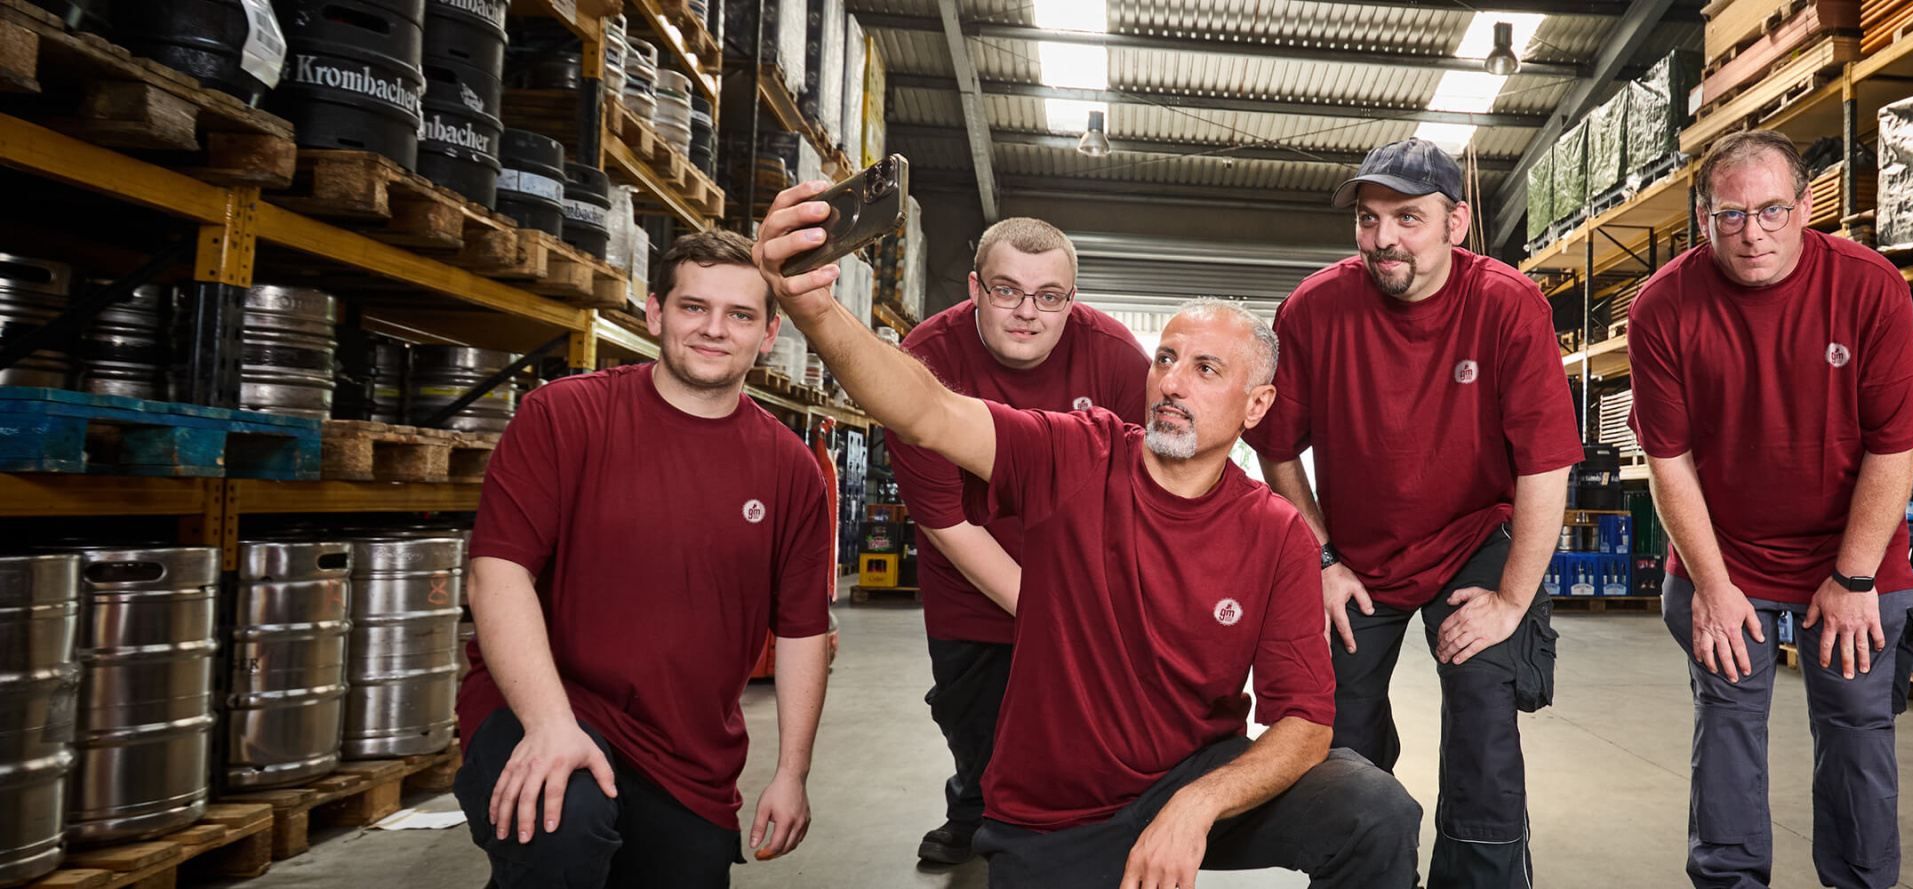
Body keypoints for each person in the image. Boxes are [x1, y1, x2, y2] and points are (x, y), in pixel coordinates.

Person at [753, 181, 1425, 889]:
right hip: (1056, 811)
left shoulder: (1276, 532)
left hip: (1192, 771)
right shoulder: (1077, 454)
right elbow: (929, 411)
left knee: (1374, 807)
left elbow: (1306, 725)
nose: (1172, 383)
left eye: (1205, 369)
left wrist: (1197, 804)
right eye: (1165, 359)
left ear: (1256, 404)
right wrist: (815, 309)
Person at [451, 230, 835, 887]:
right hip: (545, 702)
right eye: (694, 307)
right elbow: (498, 573)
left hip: (685, 752)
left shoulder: (791, 470)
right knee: (563, 825)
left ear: (769, 334)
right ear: (656, 313)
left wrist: (792, 773)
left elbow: (803, 630)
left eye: (740, 314)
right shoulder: (565, 416)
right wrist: (548, 724)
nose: (714, 329)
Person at [1247, 137, 1582, 887]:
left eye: (1407, 218)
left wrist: (1511, 602)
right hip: (1359, 552)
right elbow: (1275, 450)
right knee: (1340, 733)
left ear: (1455, 224)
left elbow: (1544, 465)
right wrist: (1321, 558)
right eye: (1368, 219)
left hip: (1474, 538)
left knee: (1484, 712)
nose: (1383, 238)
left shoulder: (1507, 303)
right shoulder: (1315, 308)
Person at [1628, 129, 1913, 889]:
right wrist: (1712, 586)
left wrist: (1854, 579)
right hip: (1724, 554)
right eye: (1730, 215)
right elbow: (1668, 460)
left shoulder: (1870, 287)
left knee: (1857, 726)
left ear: (1806, 206)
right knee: (1727, 723)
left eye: (1771, 211)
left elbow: (1895, 446)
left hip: (1852, 554)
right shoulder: (1663, 306)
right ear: (1704, 217)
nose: (1752, 233)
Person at [888, 217, 1150, 864]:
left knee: (1075, 727)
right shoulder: (924, 359)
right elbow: (946, 519)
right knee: (972, 719)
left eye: (1049, 296)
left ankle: (1055, 829)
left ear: (1072, 298)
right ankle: (970, 809)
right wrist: (1050, 611)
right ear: (974, 287)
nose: (1028, 312)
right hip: (970, 583)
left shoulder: (1116, 358)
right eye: (1007, 290)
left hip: (1080, 582)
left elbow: (1149, 488)